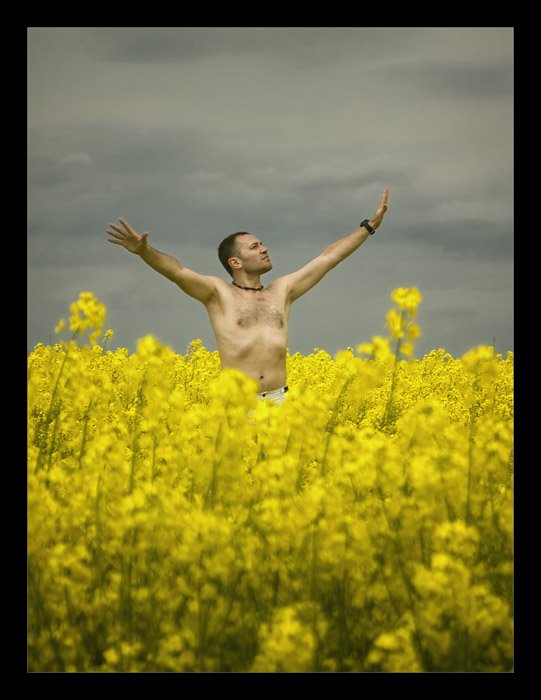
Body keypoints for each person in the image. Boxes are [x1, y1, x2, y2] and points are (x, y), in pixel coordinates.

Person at [106, 189, 389, 405]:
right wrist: (145, 251)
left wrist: (368, 227)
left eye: (263, 244)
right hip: (236, 406)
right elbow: (177, 272)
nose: (264, 249)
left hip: (280, 401)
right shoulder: (217, 293)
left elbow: (329, 257)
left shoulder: (282, 291)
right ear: (235, 262)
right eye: (254, 247)